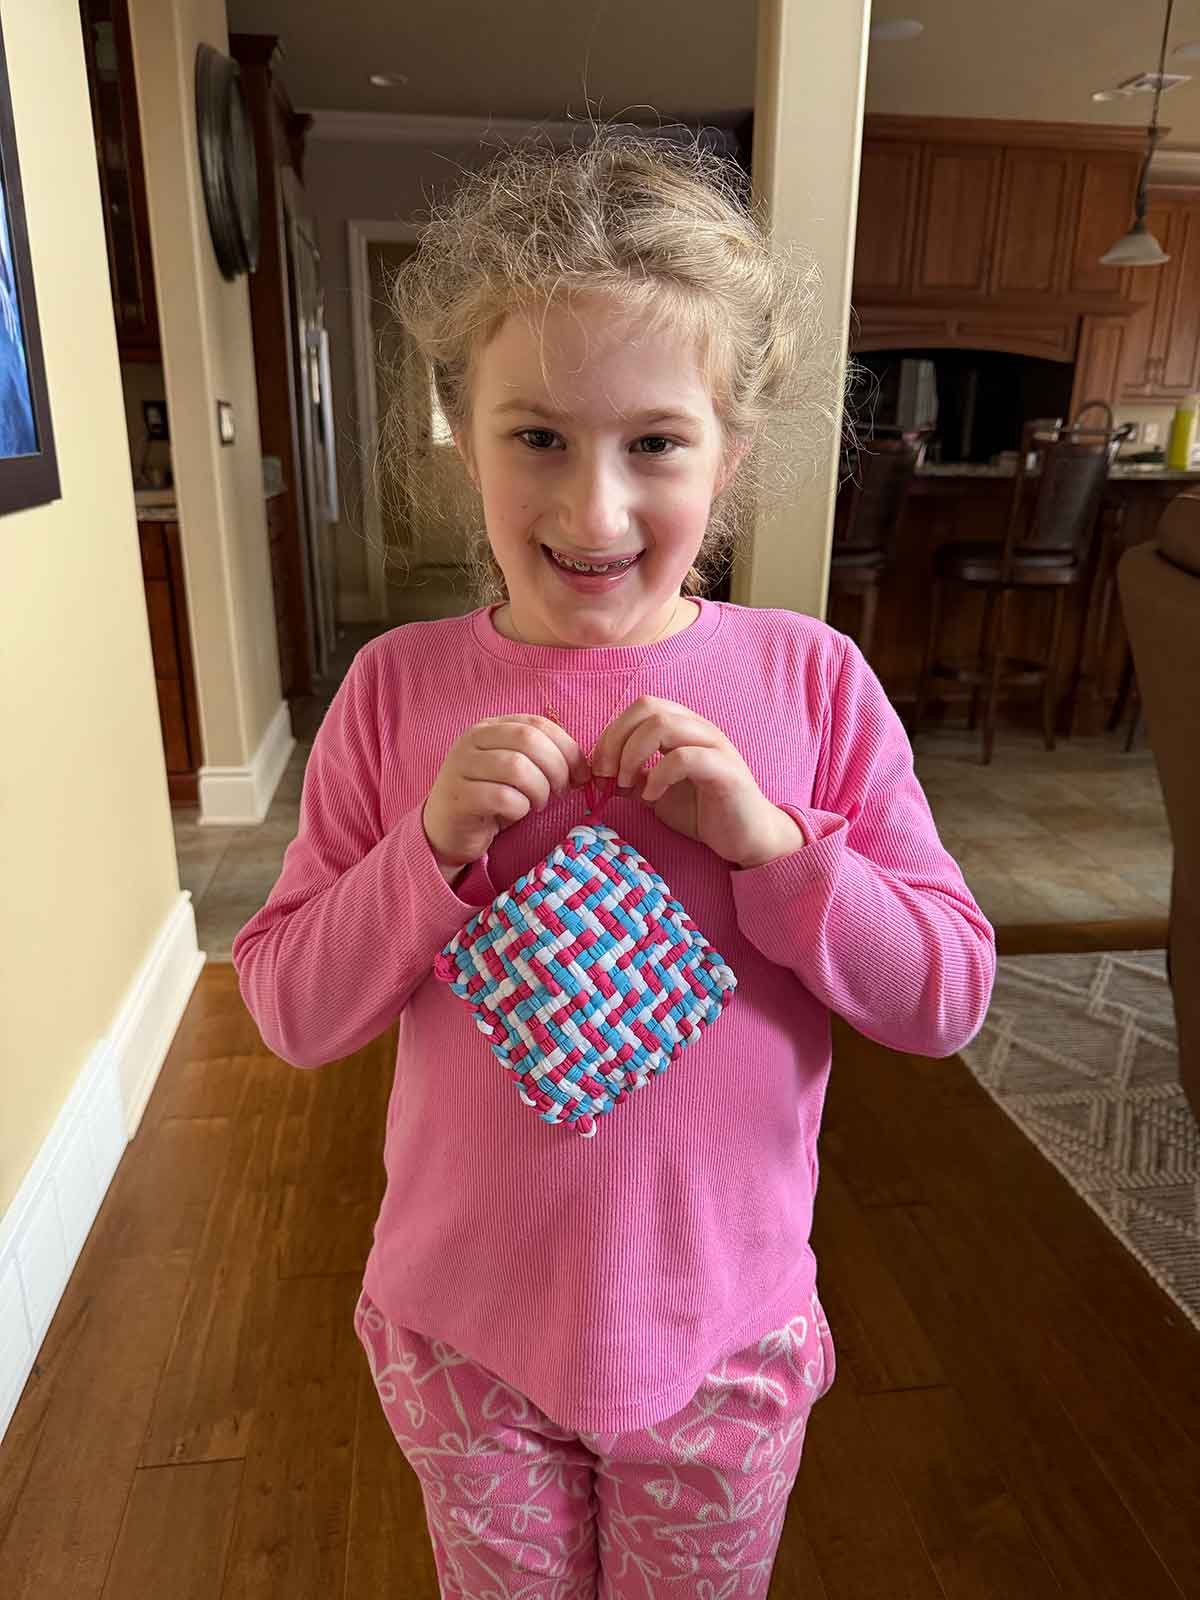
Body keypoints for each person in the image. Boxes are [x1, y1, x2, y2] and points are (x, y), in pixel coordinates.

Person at [232, 128, 996, 1599]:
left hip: (723, 1337)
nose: (593, 513)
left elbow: (946, 993)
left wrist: (779, 852)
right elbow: (288, 1008)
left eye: (654, 441)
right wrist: (424, 853)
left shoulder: (816, 686)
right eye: (537, 436)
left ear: (733, 448)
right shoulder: (395, 693)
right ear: (458, 428)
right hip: (466, 1336)